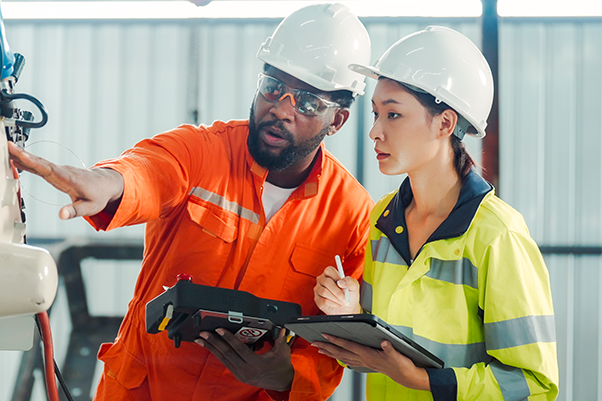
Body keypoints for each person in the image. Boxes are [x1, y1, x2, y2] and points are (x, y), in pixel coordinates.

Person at [8, 3, 374, 400]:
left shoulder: (351, 216)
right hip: (142, 390)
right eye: (272, 87)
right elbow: (151, 170)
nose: (281, 109)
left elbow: (336, 338)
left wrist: (285, 376)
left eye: (306, 103)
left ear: (337, 120)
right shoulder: (204, 151)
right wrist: (107, 182)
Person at [313, 26, 559, 400]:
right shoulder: (383, 221)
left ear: (445, 123)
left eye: (393, 114)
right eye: (376, 113)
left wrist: (422, 381)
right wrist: (351, 313)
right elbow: (379, 356)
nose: (375, 131)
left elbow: (536, 385)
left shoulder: (497, 235)